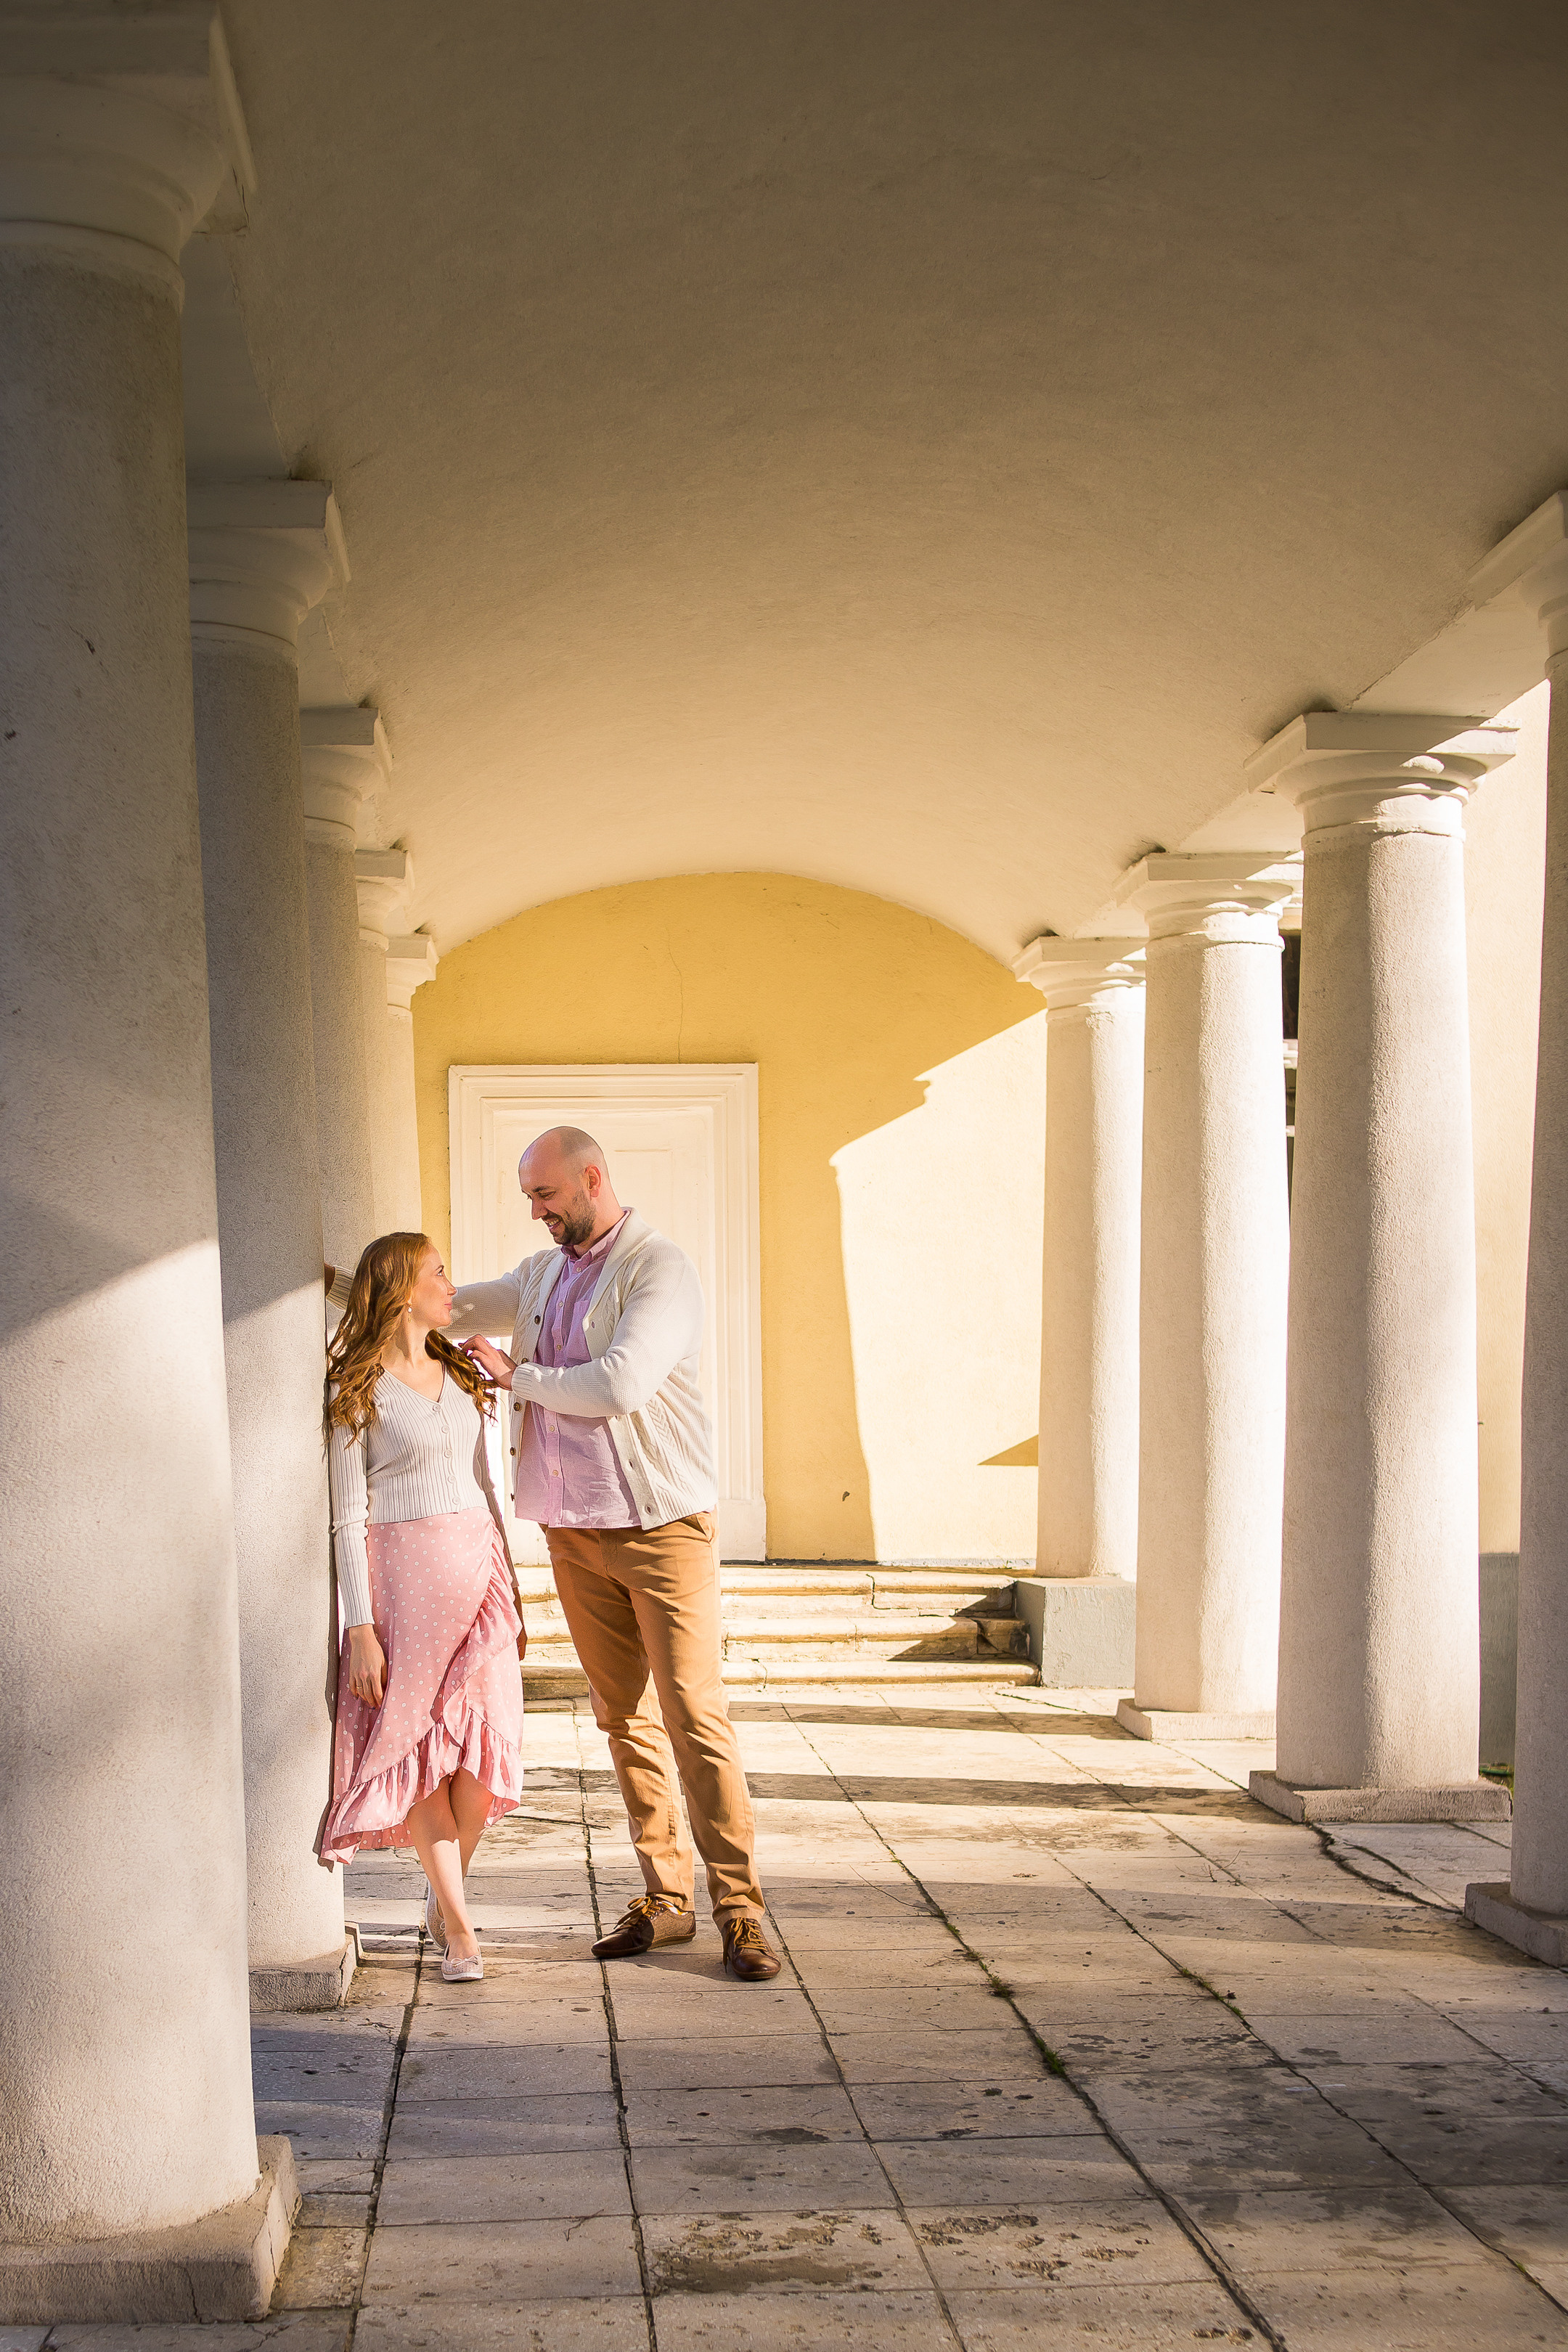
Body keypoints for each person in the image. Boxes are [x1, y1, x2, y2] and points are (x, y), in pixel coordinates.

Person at [450, 1125, 781, 1981]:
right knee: (623, 1720)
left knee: (692, 1717)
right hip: (572, 1531)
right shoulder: (541, 1274)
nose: (535, 1212)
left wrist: (510, 1376)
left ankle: (740, 1911)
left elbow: (620, 1383)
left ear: (592, 1179)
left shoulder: (658, 1267)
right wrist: (351, 1284)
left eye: (545, 1195)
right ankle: (665, 1899)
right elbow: (451, 1306)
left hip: (660, 1528)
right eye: (529, 1197)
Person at [319, 1232, 527, 1984]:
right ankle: (462, 1933)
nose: (450, 1284)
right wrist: (359, 1626)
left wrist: (515, 1588)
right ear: (404, 1290)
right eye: (438, 1272)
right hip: (404, 1584)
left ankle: (445, 1902)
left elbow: (487, 1484)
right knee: (428, 1762)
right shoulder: (356, 1385)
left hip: (481, 1571)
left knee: (483, 1752)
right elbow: (347, 1515)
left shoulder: (463, 1368)